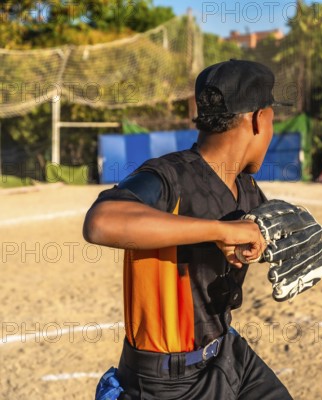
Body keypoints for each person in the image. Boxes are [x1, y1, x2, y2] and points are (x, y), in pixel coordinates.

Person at [84, 59, 293, 400]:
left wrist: (262, 242)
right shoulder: (169, 176)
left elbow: (259, 233)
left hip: (227, 352)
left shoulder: (248, 188)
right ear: (258, 119)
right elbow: (101, 222)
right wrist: (220, 232)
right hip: (167, 381)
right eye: (272, 117)